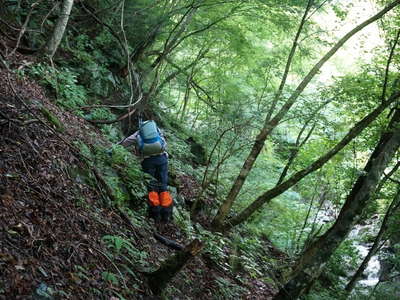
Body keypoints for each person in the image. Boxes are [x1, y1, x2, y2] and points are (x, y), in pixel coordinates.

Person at [118, 120, 173, 223]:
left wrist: (113, 148)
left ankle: (155, 214)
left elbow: (125, 142)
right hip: (162, 159)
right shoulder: (157, 130)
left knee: (152, 186)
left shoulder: (138, 133)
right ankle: (166, 214)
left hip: (148, 161)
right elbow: (164, 143)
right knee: (163, 186)